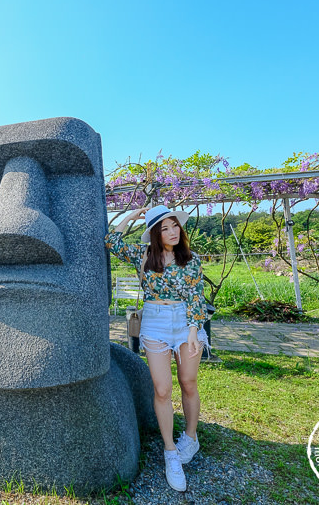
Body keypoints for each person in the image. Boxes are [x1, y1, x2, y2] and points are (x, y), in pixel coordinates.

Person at [105, 204, 210, 492]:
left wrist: (192, 329)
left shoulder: (190, 259)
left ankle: (190, 438)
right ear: (154, 233)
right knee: (162, 389)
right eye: (165, 228)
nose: (173, 232)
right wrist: (130, 217)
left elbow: (197, 298)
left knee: (188, 382)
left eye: (175, 225)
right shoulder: (144, 256)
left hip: (186, 322)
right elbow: (111, 241)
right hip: (155, 321)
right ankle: (170, 452)